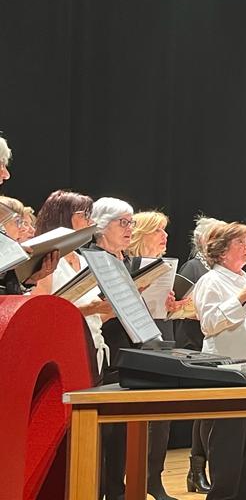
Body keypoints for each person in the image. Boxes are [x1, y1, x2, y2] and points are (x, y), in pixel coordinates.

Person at [192, 222, 246, 500]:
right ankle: (222, 495)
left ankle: (245, 493)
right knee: (228, 438)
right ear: (222, 251)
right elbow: (209, 323)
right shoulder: (210, 280)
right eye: (240, 243)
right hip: (226, 369)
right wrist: (241, 298)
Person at [128, 211, 186, 500]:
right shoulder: (126, 266)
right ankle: (127, 480)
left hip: (162, 335)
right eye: (158, 231)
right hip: (135, 341)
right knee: (136, 418)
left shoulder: (164, 266)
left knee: (162, 416)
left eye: (165, 231)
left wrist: (171, 305)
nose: (165, 237)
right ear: (141, 234)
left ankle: (154, 479)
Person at [30, 190, 112, 381]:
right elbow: (40, 312)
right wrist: (90, 309)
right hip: (61, 351)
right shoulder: (46, 260)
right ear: (64, 217)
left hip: (91, 347)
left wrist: (113, 308)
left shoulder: (83, 261)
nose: (91, 223)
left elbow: (95, 318)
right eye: (85, 216)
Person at [89, 197, 140, 500]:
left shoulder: (124, 260)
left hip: (127, 349)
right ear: (101, 225)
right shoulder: (91, 258)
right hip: (103, 349)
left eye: (131, 222)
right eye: (123, 222)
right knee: (105, 432)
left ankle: (117, 491)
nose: (129, 228)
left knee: (121, 430)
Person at [176, 215, 225, 494]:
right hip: (194, 343)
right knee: (204, 411)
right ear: (204, 240)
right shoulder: (193, 267)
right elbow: (182, 307)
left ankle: (204, 469)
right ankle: (196, 470)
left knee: (211, 411)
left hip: (213, 341)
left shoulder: (222, 269)